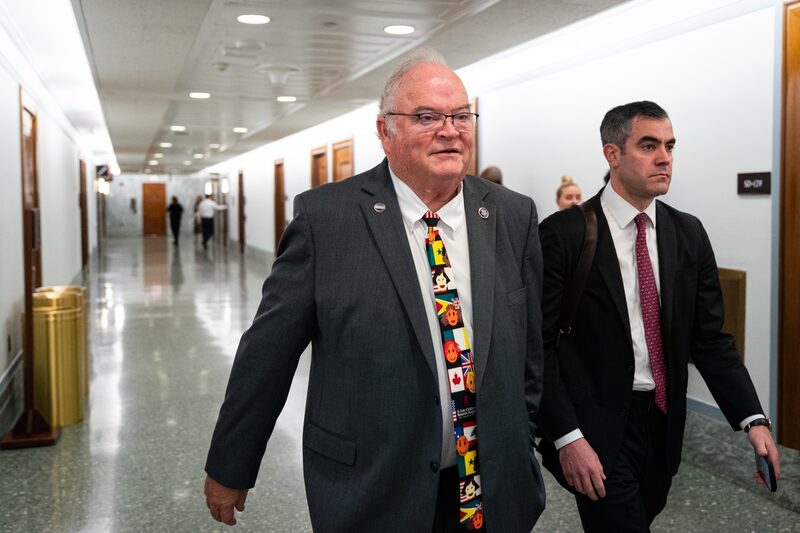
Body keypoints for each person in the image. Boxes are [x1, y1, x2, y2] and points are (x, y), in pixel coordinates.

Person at [203, 48, 546, 532]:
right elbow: (267, 353)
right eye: (427, 116)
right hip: (374, 487)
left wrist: (522, 434)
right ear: (386, 132)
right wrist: (231, 463)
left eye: (460, 115)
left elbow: (531, 345)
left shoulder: (512, 214)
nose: (449, 129)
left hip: (489, 487)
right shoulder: (326, 220)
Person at [536, 100, 780, 532]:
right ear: (613, 154)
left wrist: (752, 418)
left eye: (669, 145)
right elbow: (539, 347)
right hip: (594, 427)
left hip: (662, 423)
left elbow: (709, 339)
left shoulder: (687, 233)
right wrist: (566, 436)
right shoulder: (565, 234)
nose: (664, 157)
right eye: (648, 145)